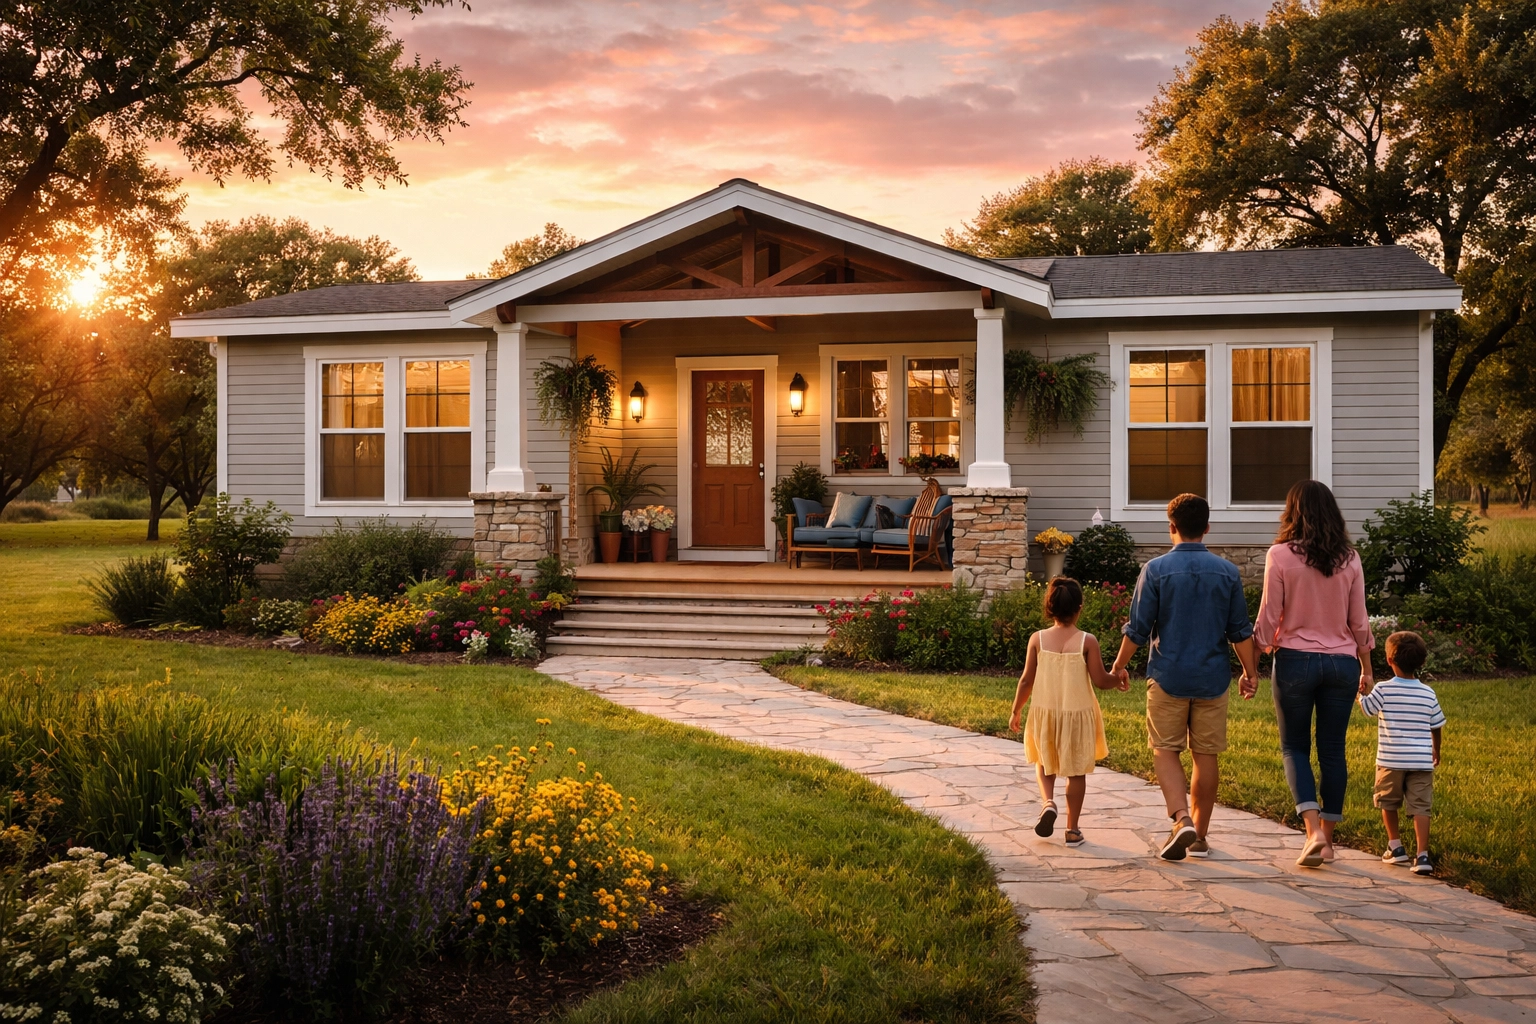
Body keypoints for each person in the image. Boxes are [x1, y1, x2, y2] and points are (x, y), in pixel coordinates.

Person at [1110, 494, 1259, 861]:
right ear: (1207, 528)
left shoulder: (1156, 570)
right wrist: (1250, 672)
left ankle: (1180, 819)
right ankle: (1201, 836)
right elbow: (1240, 630)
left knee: (1165, 750)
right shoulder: (1228, 572)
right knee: (1205, 755)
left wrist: (1117, 667)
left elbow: (1138, 629)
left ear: (1171, 527)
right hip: (1212, 678)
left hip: (1168, 675)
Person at [1253, 480, 1374, 867]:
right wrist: (1367, 670)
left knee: (1295, 748)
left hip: (1295, 663)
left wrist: (1251, 663)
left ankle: (1313, 832)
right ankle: (1329, 840)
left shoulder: (1280, 555)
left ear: (1293, 512)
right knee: (1333, 751)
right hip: (1342, 665)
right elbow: (1359, 622)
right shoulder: (1350, 558)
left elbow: (1270, 616)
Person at [1009, 577, 1129, 846]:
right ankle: (1073, 830)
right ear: (1079, 608)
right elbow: (1100, 680)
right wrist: (1118, 677)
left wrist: (1016, 709)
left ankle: (1048, 802)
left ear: (1049, 608)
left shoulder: (1037, 639)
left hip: (1045, 712)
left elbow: (1027, 680)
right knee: (1076, 772)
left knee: (1044, 761)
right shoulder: (1087, 641)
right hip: (1077, 714)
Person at [1359, 631, 1445, 876]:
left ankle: (1395, 847)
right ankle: (1423, 855)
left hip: (1390, 760)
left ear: (1388, 660)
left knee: (1388, 801)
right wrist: (1435, 749)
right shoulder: (1428, 693)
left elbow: (1367, 709)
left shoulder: (1384, 689)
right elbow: (1436, 724)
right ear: (1421, 663)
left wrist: (1361, 692)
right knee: (1421, 806)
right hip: (1421, 761)